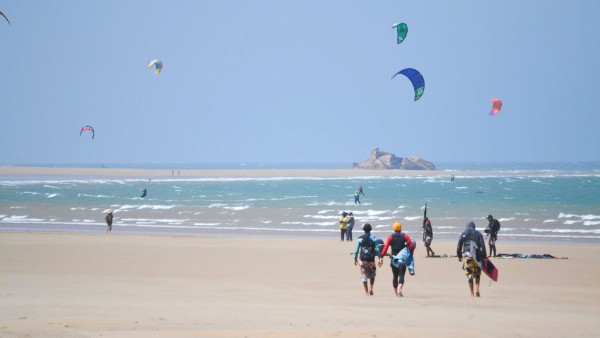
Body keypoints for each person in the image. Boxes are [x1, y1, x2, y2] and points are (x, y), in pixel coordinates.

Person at [378, 221, 415, 297]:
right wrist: (410, 254)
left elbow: (385, 247)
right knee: (401, 275)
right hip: (402, 259)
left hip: (393, 259)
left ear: (393, 228)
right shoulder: (405, 236)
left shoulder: (390, 237)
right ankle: (399, 289)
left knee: (395, 276)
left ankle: (395, 293)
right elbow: (411, 246)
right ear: (400, 228)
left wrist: (381, 257)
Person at [457, 221, 487, 297]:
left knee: (469, 274)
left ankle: (472, 293)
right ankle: (477, 288)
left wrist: (459, 255)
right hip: (477, 256)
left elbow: (459, 246)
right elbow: (482, 246)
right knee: (477, 274)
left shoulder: (463, 234)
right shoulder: (479, 234)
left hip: (468, 256)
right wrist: (484, 257)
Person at [353, 224, 381, 296]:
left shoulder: (360, 239)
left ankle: (366, 292)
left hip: (363, 260)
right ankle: (371, 288)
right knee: (372, 275)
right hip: (371, 259)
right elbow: (377, 249)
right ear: (370, 230)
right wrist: (380, 258)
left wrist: (355, 258)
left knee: (364, 275)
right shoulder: (374, 238)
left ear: (364, 230)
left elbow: (356, 250)